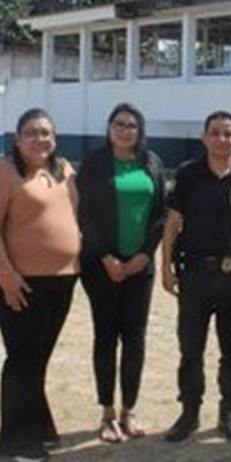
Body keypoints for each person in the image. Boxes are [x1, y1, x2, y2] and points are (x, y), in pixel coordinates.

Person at [0, 108, 81, 462]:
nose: (40, 140)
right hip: (18, 284)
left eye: (46, 133)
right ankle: (16, 440)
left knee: (39, 358)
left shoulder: (64, 171)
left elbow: (73, 216)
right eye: (32, 133)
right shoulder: (2, 175)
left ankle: (40, 426)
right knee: (23, 359)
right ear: (17, 139)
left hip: (62, 281)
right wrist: (5, 276)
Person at [161, 110, 231, 443]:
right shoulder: (188, 174)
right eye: (215, 133)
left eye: (228, 133)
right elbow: (173, 222)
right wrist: (165, 265)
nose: (222, 139)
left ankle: (229, 412)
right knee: (190, 348)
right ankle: (189, 412)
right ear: (205, 138)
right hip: (194, 275)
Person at [76, 103, 167, 443]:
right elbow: (84, 214)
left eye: (131, 125)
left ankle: (129, 409)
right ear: (109, 127)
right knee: (105, 337)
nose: (125, 130)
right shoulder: (95, 164)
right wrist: (105, 257)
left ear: (140, 130)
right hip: (102, 267)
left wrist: (145, 254)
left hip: (140, 267)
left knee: (135, 339)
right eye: (119, 124)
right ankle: (107, 413)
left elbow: (161, 214)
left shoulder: (152, 163)